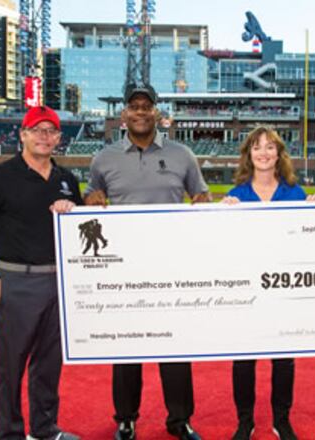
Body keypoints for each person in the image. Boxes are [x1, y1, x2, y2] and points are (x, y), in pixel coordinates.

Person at [85, 83, 211, 440]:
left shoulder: (182, 154)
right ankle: (126, 418)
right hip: (122, 267)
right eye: (134, 106)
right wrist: (89, 201)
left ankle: (180, 420)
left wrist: (203, 201)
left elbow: (199, 194)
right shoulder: (103, 158)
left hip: (172, 263)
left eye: (147, 106)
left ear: (157, 112)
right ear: (124, 114)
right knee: (126, 345)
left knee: (175, 345)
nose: (140, 112)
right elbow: (92, 200)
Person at [0, 105, 82, 440]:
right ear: (23, 135)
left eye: (52, 131)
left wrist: (70, 210)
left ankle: (44, 430)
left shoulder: (66, 180)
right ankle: (11, 434)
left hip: (58, 281)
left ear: (59, 138)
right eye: (38, 130)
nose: (45, 137)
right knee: (10, 368)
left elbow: (81, 230)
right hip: (17, 280)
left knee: (48, 363)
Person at [221, 126, 309, 440]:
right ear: (248, 154)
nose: (263, 153)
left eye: (270, 147)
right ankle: (245, 421)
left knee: (283, 358)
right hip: (247, 290)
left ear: (279, 153)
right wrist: (223, 215)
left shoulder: (294, 193)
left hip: (283, 288)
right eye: (257, 147)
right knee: (244, 359)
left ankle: (281, 419)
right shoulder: (237, 196)